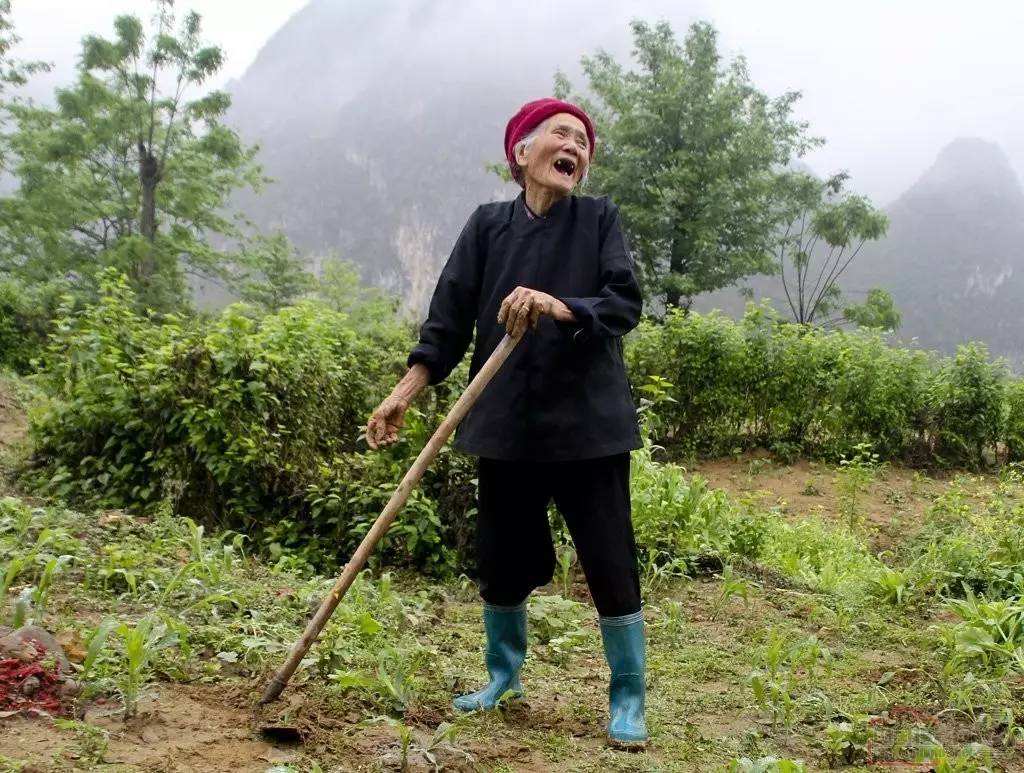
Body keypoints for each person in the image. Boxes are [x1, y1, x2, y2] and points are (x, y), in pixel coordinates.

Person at [365, 97, 647, 749]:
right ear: (522, 153)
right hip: (506, 424)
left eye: (583, 139)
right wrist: (405, 390)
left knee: (609, 559)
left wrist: (558, 304)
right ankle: (503, 677)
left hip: (588, 427)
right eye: (561, 133)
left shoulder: (598, 220)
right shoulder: (488, 228)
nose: (575, 144)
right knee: (500, 558)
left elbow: (623, 302)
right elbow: (448, 319)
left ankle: (628, 696)